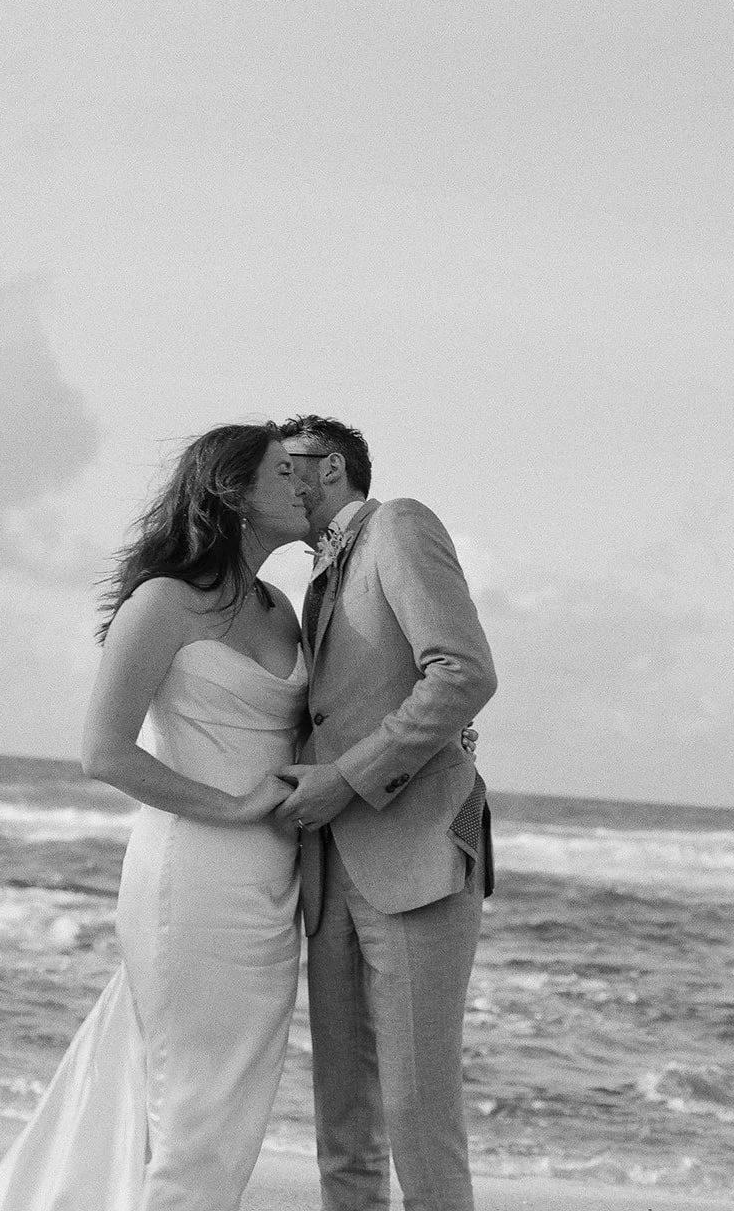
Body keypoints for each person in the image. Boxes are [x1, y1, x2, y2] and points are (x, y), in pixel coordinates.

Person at [0, 423, 311, 1211]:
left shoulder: (281, 608)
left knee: (224, 1108)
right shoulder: (163, 603)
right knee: (197, 1114)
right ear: (233, 492)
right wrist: (233, 805)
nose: (303, 487)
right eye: (284, 472)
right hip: (190, 880)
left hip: (272, 884)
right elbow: (105, 752)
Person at [274, 414, 497, 1211]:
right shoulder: (314, 580)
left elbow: (463, 673)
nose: (274, 480)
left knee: (417, 1112)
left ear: (330, 467)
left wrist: (347, 778)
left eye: (287, 464)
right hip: (329, 874)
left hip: (413, 859)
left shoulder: (399, 525)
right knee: (345, 1121)